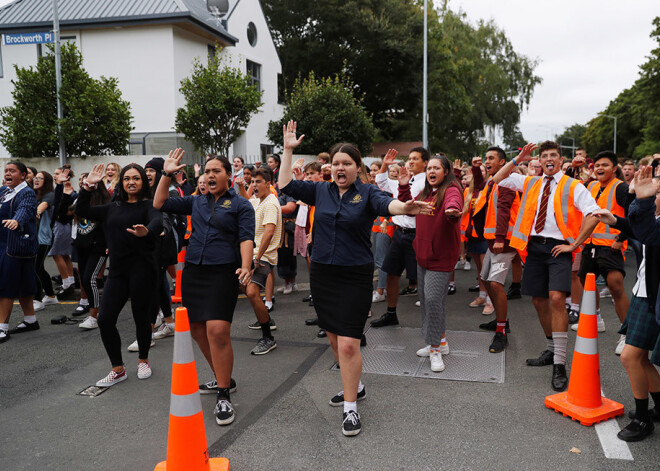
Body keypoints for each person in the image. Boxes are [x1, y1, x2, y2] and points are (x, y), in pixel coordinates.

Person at [279, 121, 430, 437]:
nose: (340, 168)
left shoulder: (367, 192)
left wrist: (407, 206)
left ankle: (350, 409)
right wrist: (288, 150)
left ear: (357, 167)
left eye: (346, 163)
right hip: (322, 273)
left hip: (354, 276)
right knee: (334, 338)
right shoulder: (320, 190)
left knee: (348, 343)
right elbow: (284, 186)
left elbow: (388, 206)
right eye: (335, 163)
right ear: (329, 167)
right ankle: (356, 386)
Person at [154, 150, 254, 426]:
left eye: (216, 171)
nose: (210, 175)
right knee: (198, 330)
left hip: (224, 270)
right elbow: (160, 202)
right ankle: (224, 378)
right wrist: (167, 173)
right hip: (195, 271)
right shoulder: (195, 202)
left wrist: (246, 266)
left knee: (218, 330)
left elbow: (246, 238)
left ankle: (223, 394)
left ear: (227, 176)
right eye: (206, 171)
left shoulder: (241, 205)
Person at [492, 141, 600, 392]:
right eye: (544, 156)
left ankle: (559, 365)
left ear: (561, 161)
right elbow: (497, 178)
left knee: (556, 299)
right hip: (534, 248)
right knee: (539, 301)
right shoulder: (530, 182)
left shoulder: (574, 186)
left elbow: (594, 214)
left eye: (553, 155)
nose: (548, 159)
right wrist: (519, 158)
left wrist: (574, 245)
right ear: (539, 161)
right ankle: (552, 351)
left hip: (559, 249)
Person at [76, 163, 162, 387]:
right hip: (118, 272)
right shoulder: (112, 207)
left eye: (136, 178)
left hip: (142, 269)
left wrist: (148, 231)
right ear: (122, 183)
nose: (131, 182)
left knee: (141, 317)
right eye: (127, 179)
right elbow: (81, 211)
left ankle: (143, 359)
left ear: (143, 181)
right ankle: (118, 368)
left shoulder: (148, 205)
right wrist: (88, 187)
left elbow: (157, 220)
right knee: (104, 319)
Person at [592, 164, 660, 441]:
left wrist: (639, 200)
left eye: (657, 191)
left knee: (631, 356)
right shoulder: (655, 215)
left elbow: (648, 233)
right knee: (640, 358)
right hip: (645, 293)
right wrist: (616, 221)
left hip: (652, 297)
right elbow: (643, 231)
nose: (656, 193)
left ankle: (643, 419)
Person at [398, 154, 463, 371]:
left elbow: (454, 203)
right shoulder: (427, 191)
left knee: (434, 301)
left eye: (436, 168)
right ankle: (439, 342)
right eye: (430, 168)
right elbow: (409, 204)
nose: (432, 172)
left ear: (446, 172)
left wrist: (453, 212)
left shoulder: (451, 189)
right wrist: (404, 186)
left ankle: (435, 349)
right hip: (423, 255)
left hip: (441, 258)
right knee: (427, 302)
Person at [572, 151, 634, 355]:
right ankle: (596, 319)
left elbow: (633, 216)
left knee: (615, 285)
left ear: (614, 168)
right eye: (597, 165)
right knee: (586, 283)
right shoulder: (591, 186)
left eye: (605, 165)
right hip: (590, 245)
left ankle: (627, 335)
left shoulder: (621, 187)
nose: (600, 168)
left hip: (611, 246)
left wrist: (621, 239)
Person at [370, 147, 430, 328]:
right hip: (399, 233)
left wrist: (403, 184)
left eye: (415, 159)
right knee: (392, 273)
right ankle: (391, 314)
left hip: (417, 235)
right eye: (409, 158)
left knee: (422, 278)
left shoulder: (427, 181)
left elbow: (411, 208)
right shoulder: (404, 179)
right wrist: (385, 165)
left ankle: (430, 320)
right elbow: (381, 182)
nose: (411, 162)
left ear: (425, 163)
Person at [471, 147, 521, 352]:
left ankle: (501, 332)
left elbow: (504, 209)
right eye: (486, 158)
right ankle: (501, 319)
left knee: (496, 283)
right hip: (493, 242)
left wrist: (500, 238)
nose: (486, 161)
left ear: (503, 162)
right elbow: (481, 189)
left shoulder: (507, 181)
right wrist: (475, 171)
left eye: (491, 158)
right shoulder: (493, 181)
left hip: (504, 242)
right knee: (485, 279)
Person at [0, 161, 39, 343]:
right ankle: (30, 320)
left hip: (16, 245)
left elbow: (25, 210)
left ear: (23, 175)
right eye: (6, 171)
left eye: (12, 171)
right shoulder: (4, 191)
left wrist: (16, 221)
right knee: (24, 281)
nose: (7, 173)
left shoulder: (27, 193)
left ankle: (2, 327)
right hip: (6, 244)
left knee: (6, 285)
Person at [245, 168, 281, 354]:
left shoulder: (270, 204)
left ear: (268, 184)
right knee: (245, 289)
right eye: (252, 182)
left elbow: (269, 231)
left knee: (251, 292)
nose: (254, 185)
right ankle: (265, 318)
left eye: (258, 182)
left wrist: (257, 258)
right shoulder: (258, 201)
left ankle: (268, 338)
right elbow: (246, 201)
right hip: (252, 254)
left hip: (263, 256)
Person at [75, 173, 111, 330]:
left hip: (98, 247)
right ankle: (92, 310)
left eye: (89, 182)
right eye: (83, 183)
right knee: (84, 280)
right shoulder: (82, 200)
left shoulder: (105, 203)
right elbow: (77, 210)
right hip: (82, 246)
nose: (85, 184)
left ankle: (94, 316)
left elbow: (110, 224)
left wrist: (110, 244)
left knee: (90, 279)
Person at [32, 171, 58, 312]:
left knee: (35, 267)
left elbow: (40, 209)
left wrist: (35, 211)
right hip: (35, 237)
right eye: (36, 177)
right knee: (39, 267)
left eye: (40, 178)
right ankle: (50, 296)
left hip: (43, 238)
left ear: (46, 181)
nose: (36, 179)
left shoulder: (49, 195)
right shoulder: (35, 194)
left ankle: (37, 299)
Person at [50, 166, 77, 296]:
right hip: (62, 225)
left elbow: (61, 208)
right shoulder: (59, 189)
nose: (55, 176)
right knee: (64, 255)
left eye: (57, 173)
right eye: (54, 174)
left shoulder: (69, 191)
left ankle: (67, 284)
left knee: (57, 253)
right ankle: (70, 281)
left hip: (62, 225)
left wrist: (60, 185)